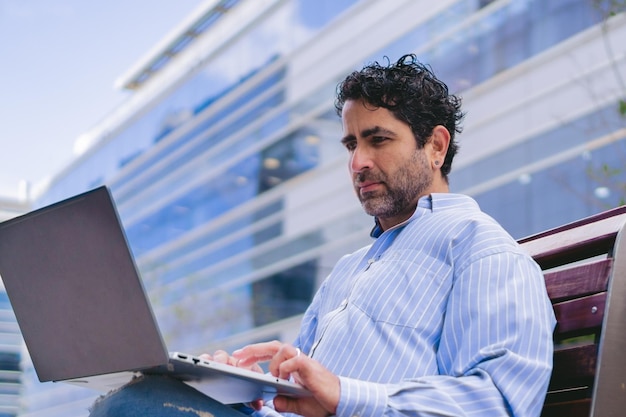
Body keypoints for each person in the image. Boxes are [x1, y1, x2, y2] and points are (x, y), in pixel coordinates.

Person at [89, 54, 556, 417]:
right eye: (352, 145)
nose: (358, 163)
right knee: (147, 391)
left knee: (138, 405)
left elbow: (501, 401)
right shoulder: (350, 269)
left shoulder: (480, 249)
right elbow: (308, 397)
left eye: (378, 139)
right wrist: (251, 390)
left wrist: (345, 395)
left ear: (435, 146)